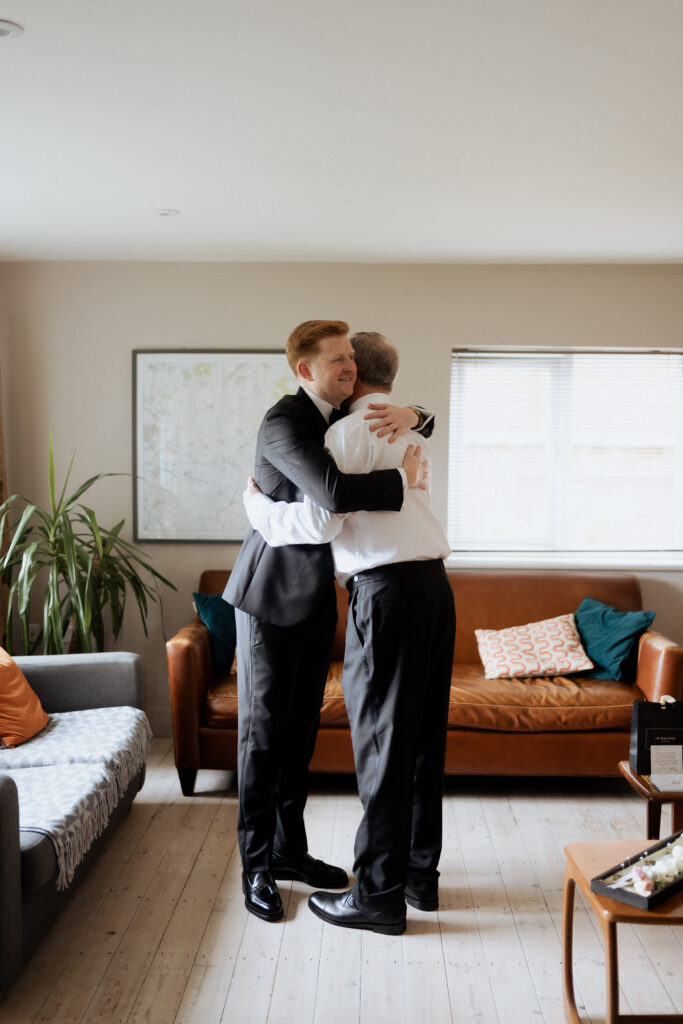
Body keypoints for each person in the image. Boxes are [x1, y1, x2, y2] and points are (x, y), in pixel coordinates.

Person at [244, 331, 455, 936]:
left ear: (355, 374)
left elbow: (322, 517)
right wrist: (416, 413)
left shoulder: (340, 436)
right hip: (436, 589)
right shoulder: (411, 434)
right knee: (423, 741)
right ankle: (419, 877)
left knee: (383, 746)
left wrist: (256, 508)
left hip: (385, 594)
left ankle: (378, 896)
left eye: (345, 360)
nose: (340, 369)